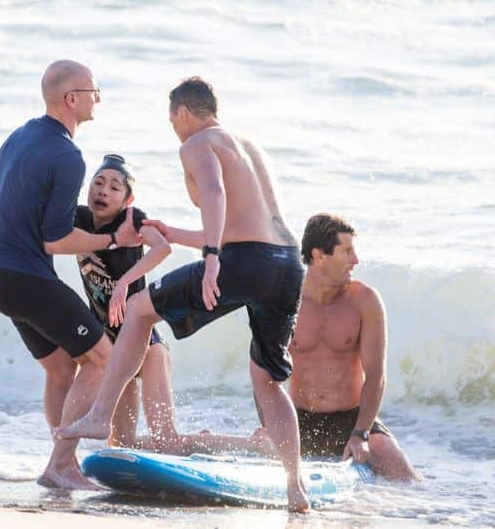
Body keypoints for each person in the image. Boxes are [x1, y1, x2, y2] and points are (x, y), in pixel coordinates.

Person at [57, 77, 311, 512]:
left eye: (172, 120)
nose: (174, 129)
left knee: (138, 310)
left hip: (242, 260)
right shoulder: (247, 147)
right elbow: (243, 229)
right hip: (287, 264)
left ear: (182, 113)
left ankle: (100, 415)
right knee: (269, 381)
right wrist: (176, 235)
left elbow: (214, 196)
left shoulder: (197, 142)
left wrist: (212, 257)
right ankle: (296, 488)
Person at [0, 60, 141, 490]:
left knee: (61, 369)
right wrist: (111, 243)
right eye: (93, 91)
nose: (98, 98)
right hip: (24, 275)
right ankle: (62, 465)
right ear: (72, 99)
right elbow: (55, 240)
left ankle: (58, 461)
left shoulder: (19, 136)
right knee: (102, 357)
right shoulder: (67, 155)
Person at [76, 154, 273, 456]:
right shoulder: (79, 220)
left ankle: (251, 444)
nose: (103, 190)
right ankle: (202, 441)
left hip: (146, 346)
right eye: (98, 183)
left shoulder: (133, 219)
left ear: (128, 199)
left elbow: (162, 247)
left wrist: (125, 282)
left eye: (115, 187)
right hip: (113, 350)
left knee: (166, 441)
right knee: (122, 445)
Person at [286, 213, 418, 481]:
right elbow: (265, 368)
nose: (355, 260)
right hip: (297, 420)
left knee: (407, 480)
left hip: (351, 420)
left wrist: (361, 434)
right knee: (255, 450)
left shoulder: (364, 302)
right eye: (346, 251)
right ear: (319, 256)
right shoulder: (286, 299)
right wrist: (270, 424)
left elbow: (376, 376)